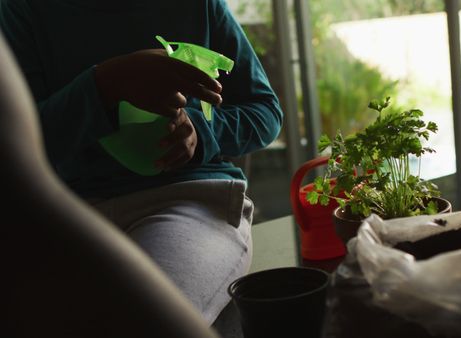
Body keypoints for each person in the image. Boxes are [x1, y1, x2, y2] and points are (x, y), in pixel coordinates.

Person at [0, 0, 283, 325]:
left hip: (190, 201)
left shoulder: (199, 6)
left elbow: (265, 111)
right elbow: (19, 146)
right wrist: (104, 84)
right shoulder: (25, 11)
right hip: (68, 211)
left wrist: (201, 132)